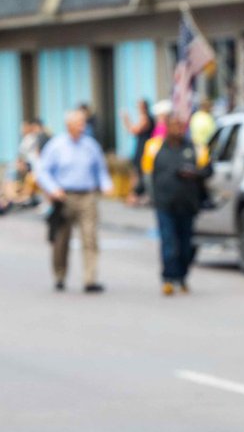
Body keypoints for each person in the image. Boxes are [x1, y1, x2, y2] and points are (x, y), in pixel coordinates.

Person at [36, 109, 114, 292]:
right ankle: (60, 275)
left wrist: (106, 184)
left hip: (87, 195)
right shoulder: (56, 146)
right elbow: (43, 171)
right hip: (64, 197)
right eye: (79, 123)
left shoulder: (90, 145)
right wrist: (53, 188)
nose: (82, 126)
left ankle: (90, 279)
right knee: (61, 239)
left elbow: (100, 170)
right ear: (68, 125)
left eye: (83, 122)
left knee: (90, 237)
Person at [151, 115, 211, 294]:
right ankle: (168, 278)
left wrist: (195, 173)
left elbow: (208, 169)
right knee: (169, 243)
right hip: (165, 205)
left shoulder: (194, 148)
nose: (177, 129)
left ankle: (182, 276)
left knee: (185, 247)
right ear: (167, 128)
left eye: (180, 125)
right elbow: (148, 174)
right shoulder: (156, 148)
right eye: (174, 125)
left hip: (187, 205)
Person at [122, 98, 156, 202]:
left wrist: (126, 119)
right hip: (142, 147)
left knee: (139, 172)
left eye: (139, 106)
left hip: (143, 148)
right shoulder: (146, 117)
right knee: (138, 171)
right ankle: (137, 194)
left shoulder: (146, 118)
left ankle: (135, 195)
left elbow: (134, 130)